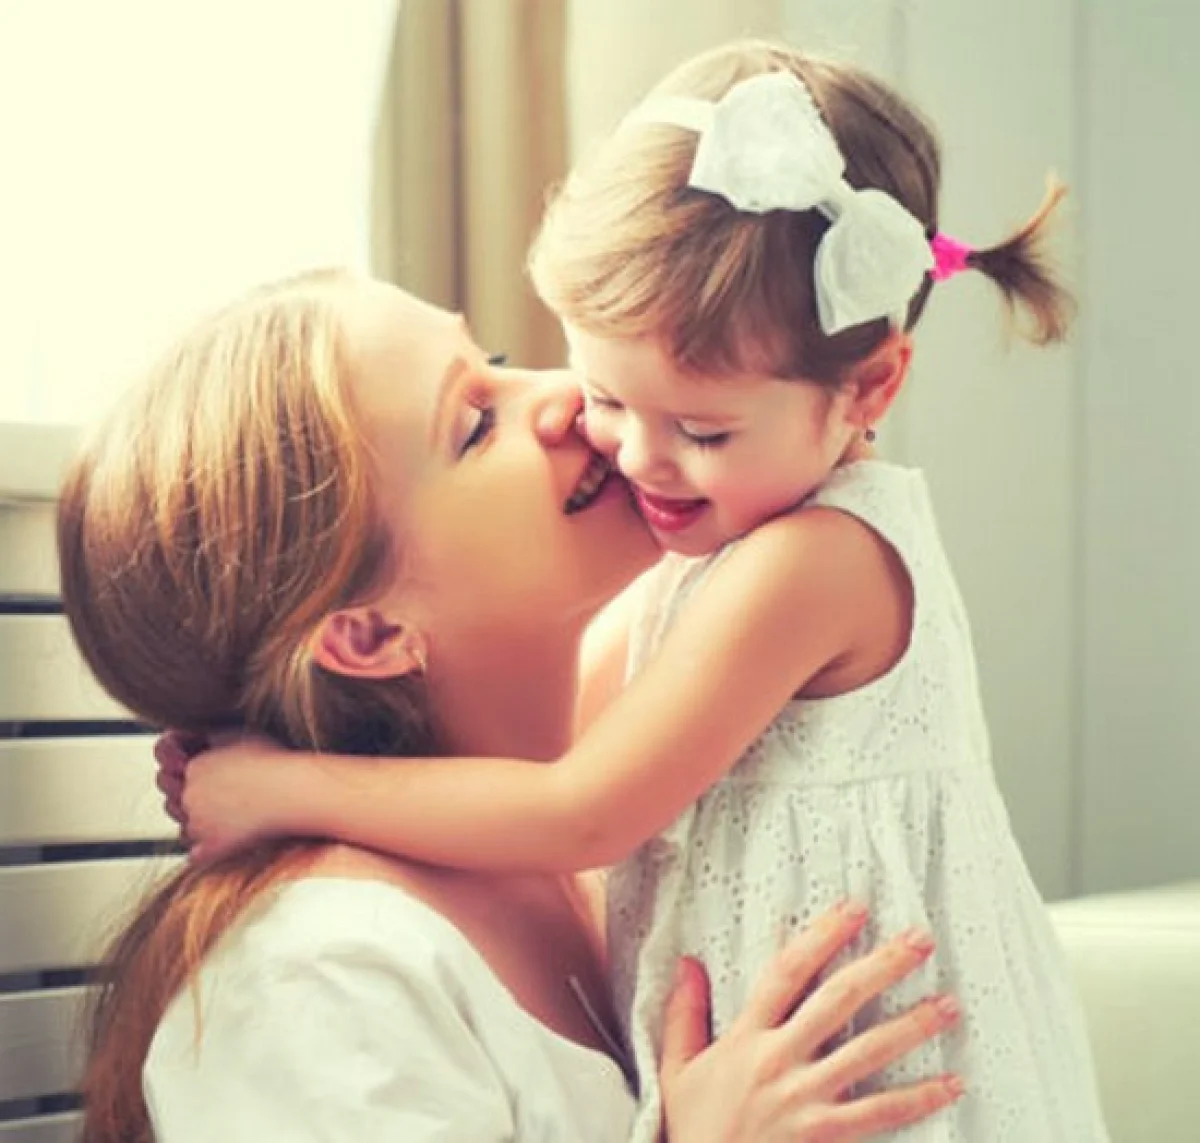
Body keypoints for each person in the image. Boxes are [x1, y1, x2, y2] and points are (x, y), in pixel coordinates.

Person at [172, 42, 1110, 1141]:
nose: (633, 455)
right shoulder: (703, 572)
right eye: (609, 396)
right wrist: (250, 734)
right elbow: (533, 767)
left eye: (701, 431)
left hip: (877, 1080)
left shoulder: (821, 558)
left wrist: (283, 787)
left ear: (870, 388)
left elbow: (582, 809)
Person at [61, 269, 962, 1143]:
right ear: (370, 635)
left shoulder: (606, 835)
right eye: (475, 425)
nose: (569, 399)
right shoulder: (318, 972)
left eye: (494, 359)